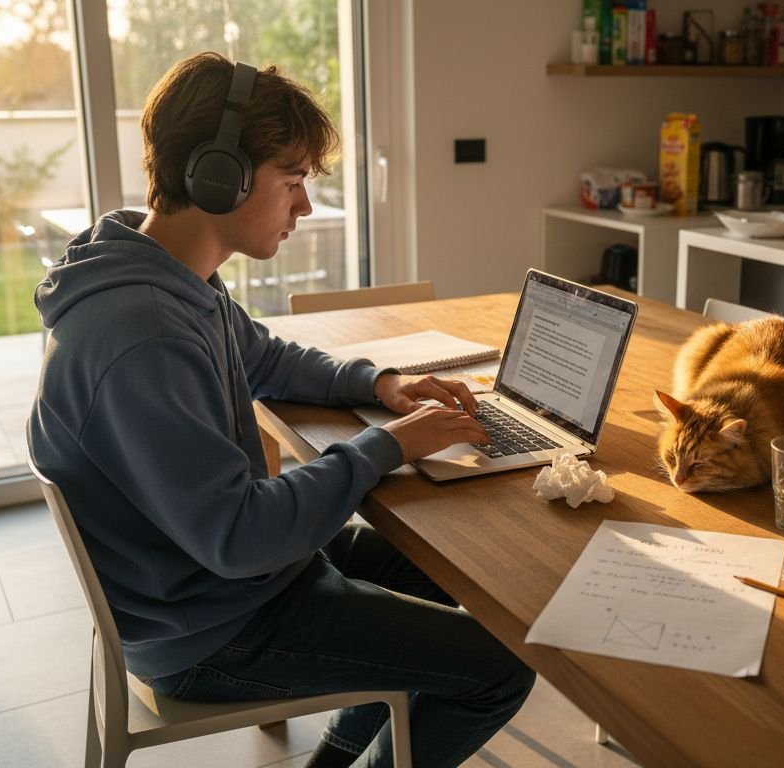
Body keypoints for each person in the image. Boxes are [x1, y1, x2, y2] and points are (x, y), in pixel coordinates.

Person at [27, 52, 534, 768]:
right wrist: (386, 445)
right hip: (213, 628)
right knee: (500, 670)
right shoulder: (142, 334)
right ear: (218, 178)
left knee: (446, 566)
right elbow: (241, 536)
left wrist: (379, 383)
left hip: (219, 584)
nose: (304, 207)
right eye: (292, 182)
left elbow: (265, 358)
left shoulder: (162, 274)